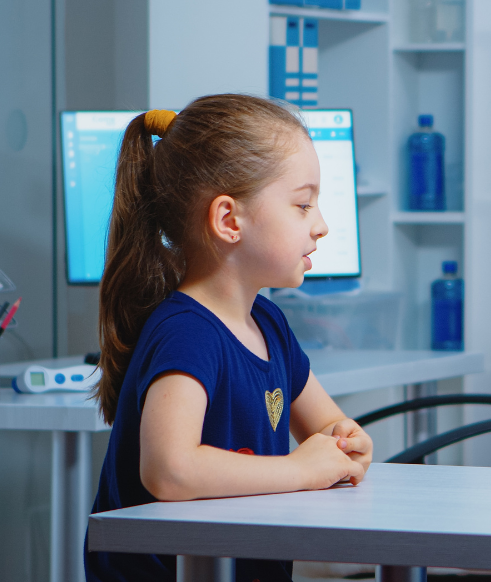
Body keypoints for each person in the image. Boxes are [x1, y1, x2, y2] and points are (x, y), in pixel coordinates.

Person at [85, 95, 374, 582]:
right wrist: (302, 471)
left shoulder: (268, 323)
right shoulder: (186, 335)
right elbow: (169, 470)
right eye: (303, 206)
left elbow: (326, 425)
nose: (321, 226)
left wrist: (345, 442)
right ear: (228, 221)